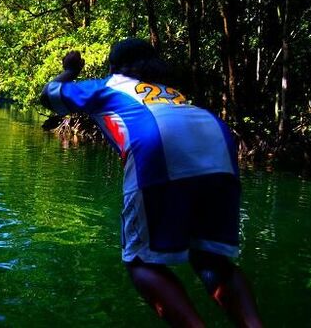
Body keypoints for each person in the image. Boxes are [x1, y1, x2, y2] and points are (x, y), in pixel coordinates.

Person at [40, 38, 262, 327]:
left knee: (140, 261)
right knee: (211, 259)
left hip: (160, 140)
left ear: (113, 66)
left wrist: (70, 70)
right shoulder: (170, 92)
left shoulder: (109, 85)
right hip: (217, 141)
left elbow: (49, 94)